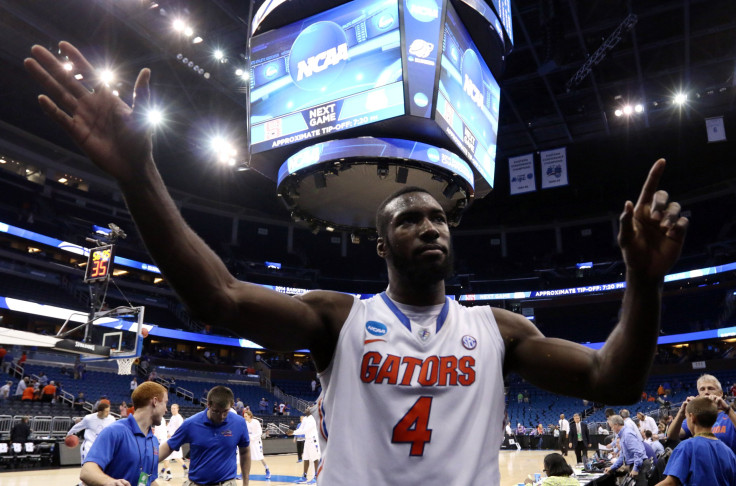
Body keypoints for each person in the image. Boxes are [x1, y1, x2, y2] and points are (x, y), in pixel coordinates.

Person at [24, 41, 689, 485]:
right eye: (408, 218)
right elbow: (219, 297)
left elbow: (615, 379)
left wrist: (644, 280)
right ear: (381, 244)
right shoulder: (340, 320)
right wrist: (140, 175)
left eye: (437, 217)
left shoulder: (500, 331)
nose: (429, 226)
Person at [80, 381, 168, 486]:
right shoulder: (115, 431)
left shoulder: (153, 441)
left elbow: (148, 480)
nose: (166, 410)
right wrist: (109, 482)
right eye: (165, 403)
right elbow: (87, 471)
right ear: (155, 401)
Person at [159, 386, 250, 486]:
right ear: (208, 404)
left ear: (232, 405)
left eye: (225, 411)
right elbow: (169, 446)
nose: (221, 416)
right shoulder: (191, 423)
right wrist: (147, 462)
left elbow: (245, 452)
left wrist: (245, 483)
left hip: (227, 483)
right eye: (216, 411)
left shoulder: (239, 423)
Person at [655, 397, 736, 485]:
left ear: (692, 417)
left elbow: (670, 483)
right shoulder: (729, 452)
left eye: (686, 417)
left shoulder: (687, 446)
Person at [667, 374, 736, 453]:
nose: (706, 392)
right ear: (699, 395)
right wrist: (681, 414)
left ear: (720, 393)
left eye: (710, 388)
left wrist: (727, 410)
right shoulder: (697, 417)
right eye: (702, 389)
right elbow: (672, 436)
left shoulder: (731, 415)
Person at [604, 415, 652, 485]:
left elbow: (638, 452)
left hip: (640, 466)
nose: (612, 429)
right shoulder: (623, 434)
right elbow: (622, 456)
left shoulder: (627, 434)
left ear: (616, 425)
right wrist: (612, 468)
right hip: (637, 465)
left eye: (612, 427)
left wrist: (635, 469)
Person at [288, 408, 321, 484]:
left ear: (312, 411)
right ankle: (304, 476)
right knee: (305, 458)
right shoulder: (305, 419)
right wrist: (293, 432)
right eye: (305, 408)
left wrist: (293, 432)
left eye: (308, 408)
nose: (306, 409)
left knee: (315, 458)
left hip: (313, 439)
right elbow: (301, 429)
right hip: (307, 440)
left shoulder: (312, 419)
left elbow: (305, 430)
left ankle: (316, 476)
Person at [244, 410, 271, 479]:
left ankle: (267, 469)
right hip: (249, 442)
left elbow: (259, 433)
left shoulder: (256, 422)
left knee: (260, 457)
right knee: (246, 457)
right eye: (244, 416)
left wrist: (252, 437)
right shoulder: (245, 423)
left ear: (250, 416)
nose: (244, 417)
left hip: (256, 442)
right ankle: (244, 473)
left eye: (246, 416)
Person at [166, 404, 187, 473]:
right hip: (170, 439)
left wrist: (171, 435)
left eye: (174, 408)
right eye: (172, 408)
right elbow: (169, 427)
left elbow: (180, 429)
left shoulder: (179, 418)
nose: (173, 410)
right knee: (170, 457)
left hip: (175, 439)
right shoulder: (172, 417)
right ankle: (165, 472)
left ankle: (186, 469)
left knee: (175, 457)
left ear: (178, 409)